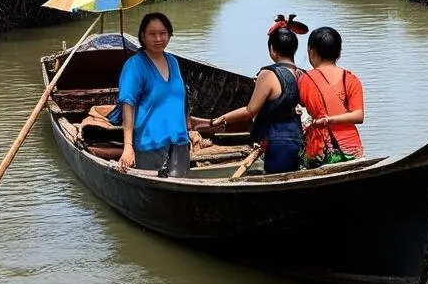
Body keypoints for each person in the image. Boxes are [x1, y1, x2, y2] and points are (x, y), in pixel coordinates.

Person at [196, 14, 309, 174]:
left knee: (274, 182)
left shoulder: (269, 74)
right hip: (296, 137)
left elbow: (250, 111)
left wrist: (221, 119)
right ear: (294, 49)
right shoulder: (301, 74)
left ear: (272, 50)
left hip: (276, 140)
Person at [116, 12, 194, 176]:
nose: (158, 39)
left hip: (178, 142)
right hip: (150, 144)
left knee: (179, 189)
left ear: (169, 35)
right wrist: (128, 146)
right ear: (142, 36)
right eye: (152, 34)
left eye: (163, 33)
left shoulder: (173, 61)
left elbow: (178, 100)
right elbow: (128, 106)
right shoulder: (135, 65)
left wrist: (188, 130)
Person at [298, 26, 365, 165]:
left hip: (321, 149)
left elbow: (300, 107)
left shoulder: (305, 79)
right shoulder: (351, 79)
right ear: (339, 53)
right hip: (352, 148)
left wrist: (326, 119)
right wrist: (331, 119)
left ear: (312, 52)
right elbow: (358, 116)